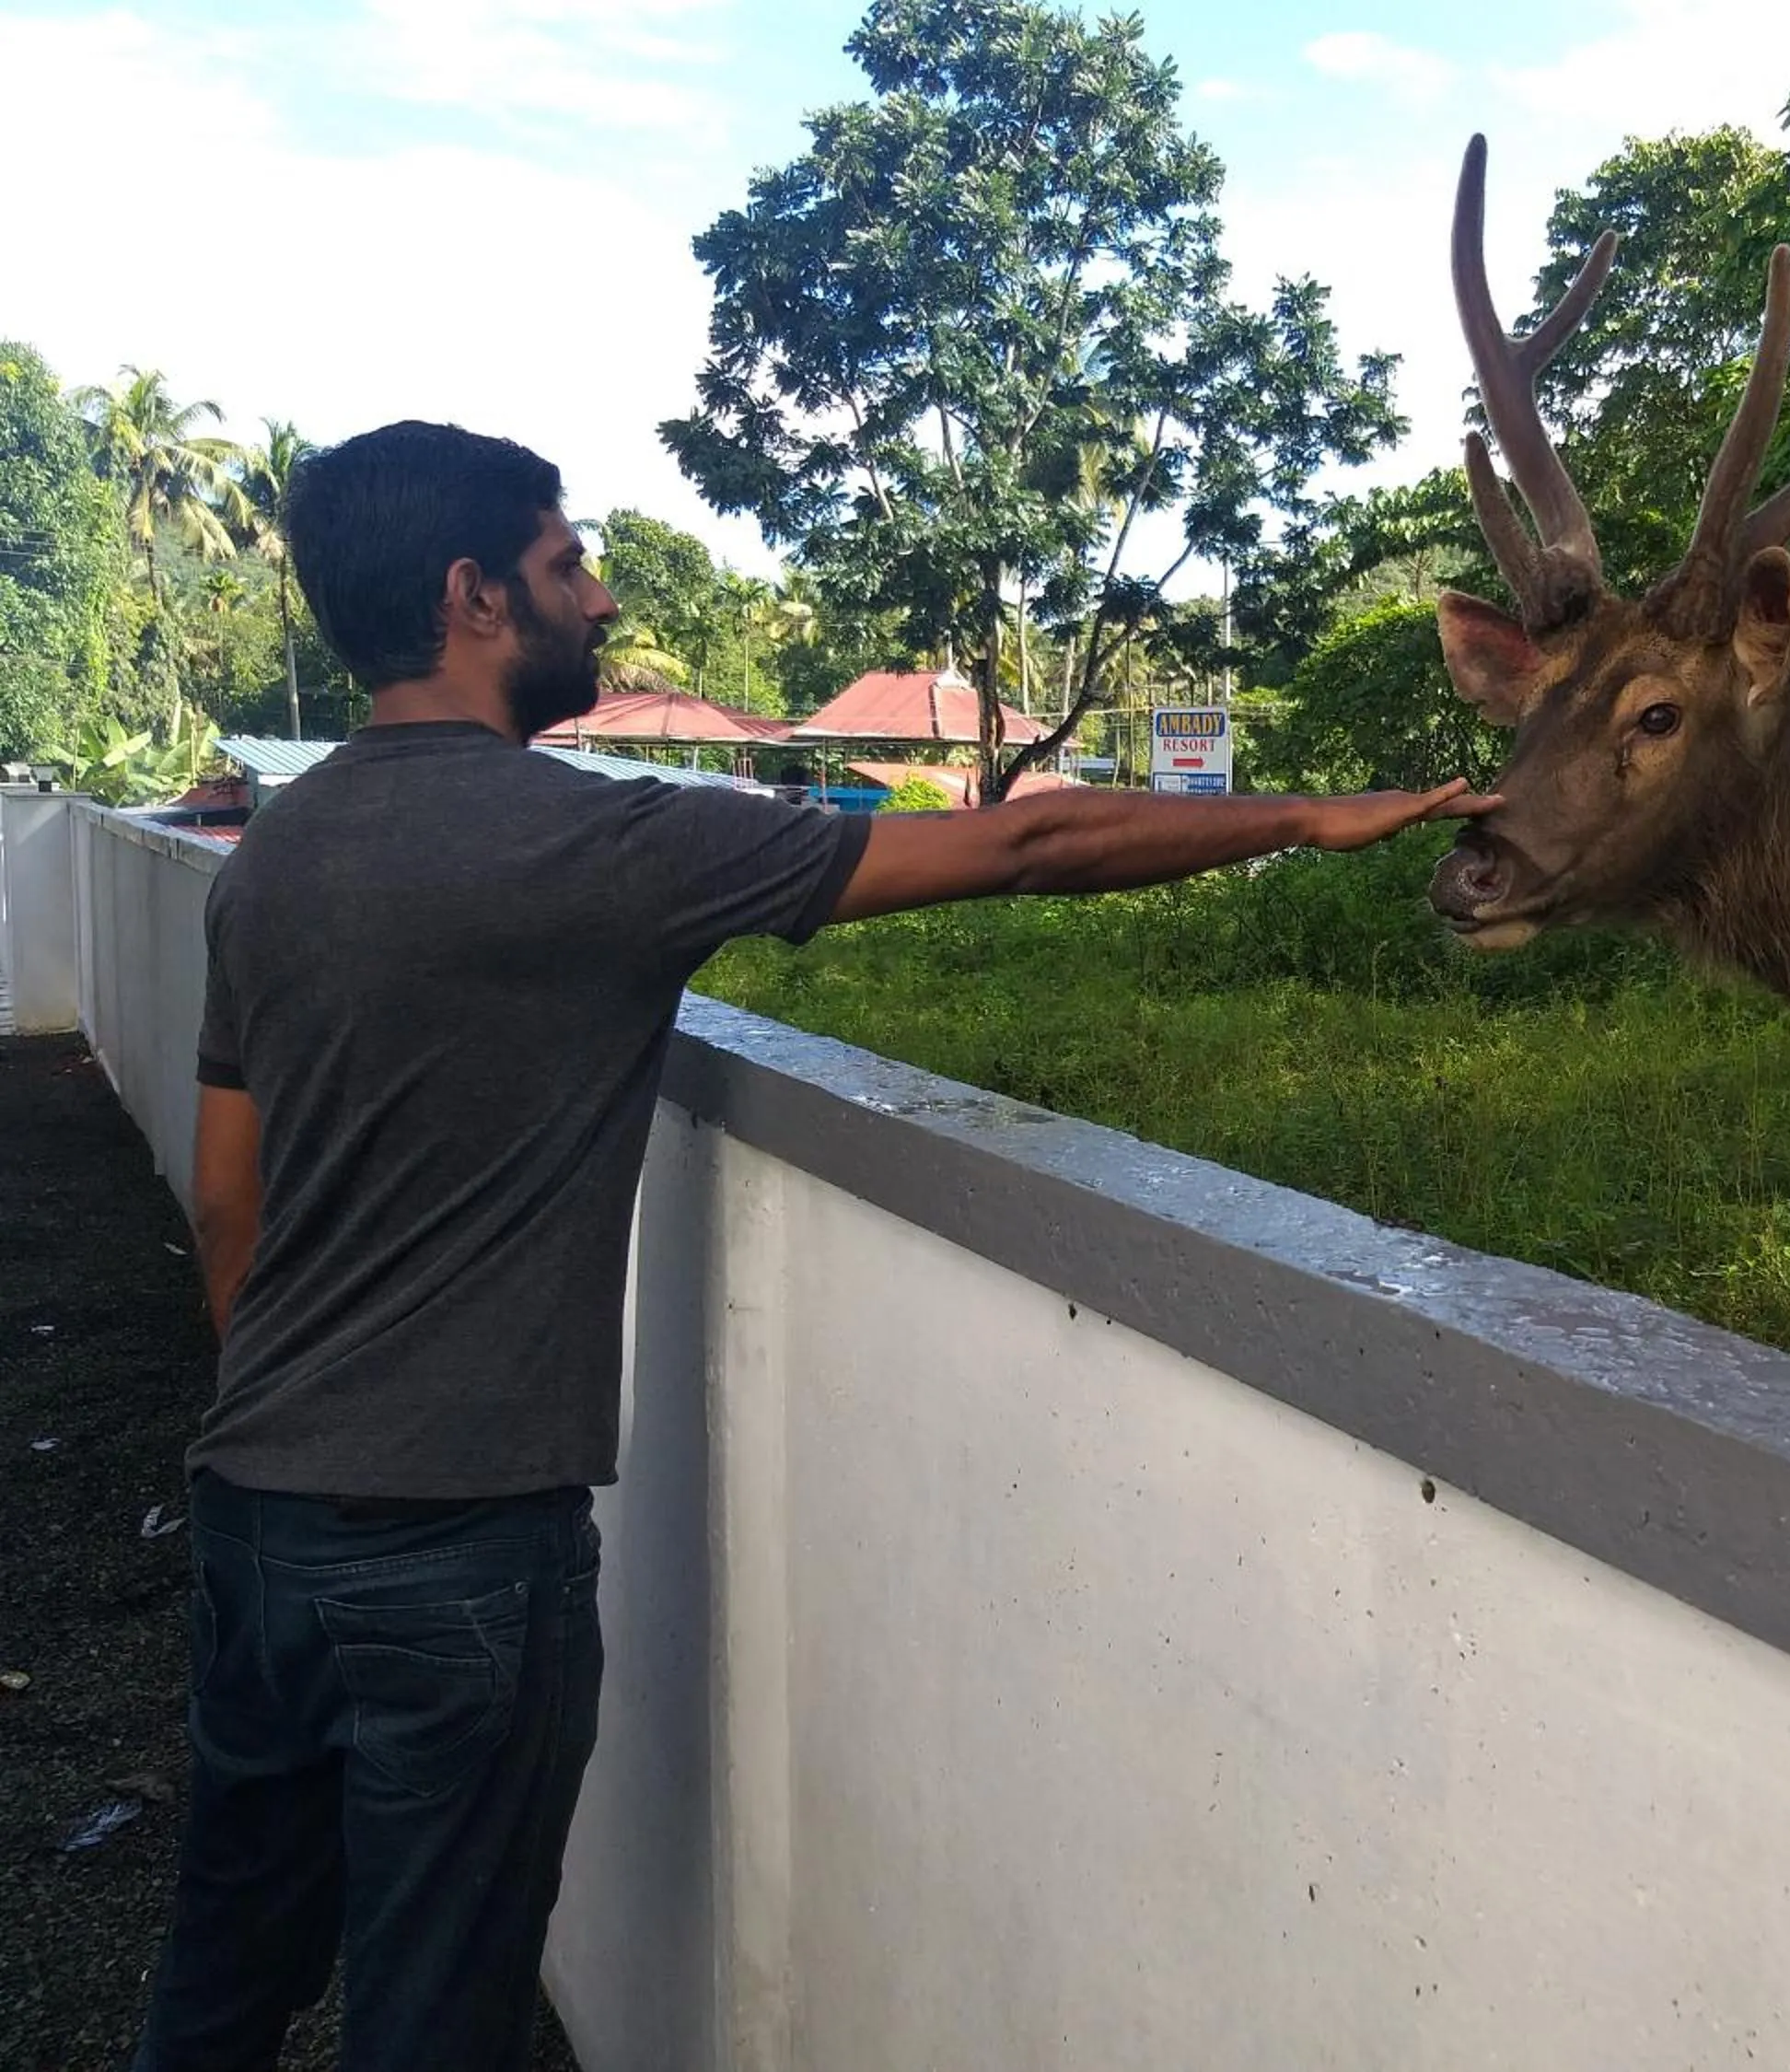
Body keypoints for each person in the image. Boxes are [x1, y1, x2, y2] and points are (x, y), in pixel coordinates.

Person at [130, 419, 1494, 2071]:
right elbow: (1028, 843)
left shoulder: (269, 857)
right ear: (473, 593)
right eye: (569, 565)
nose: (603, 595)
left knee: (221, 1972)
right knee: (435, 2012)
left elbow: (228, 1198)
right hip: (460, 1549)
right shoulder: (594, 844)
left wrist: (291, 1412)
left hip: (255, 1516)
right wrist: (1309, 819)